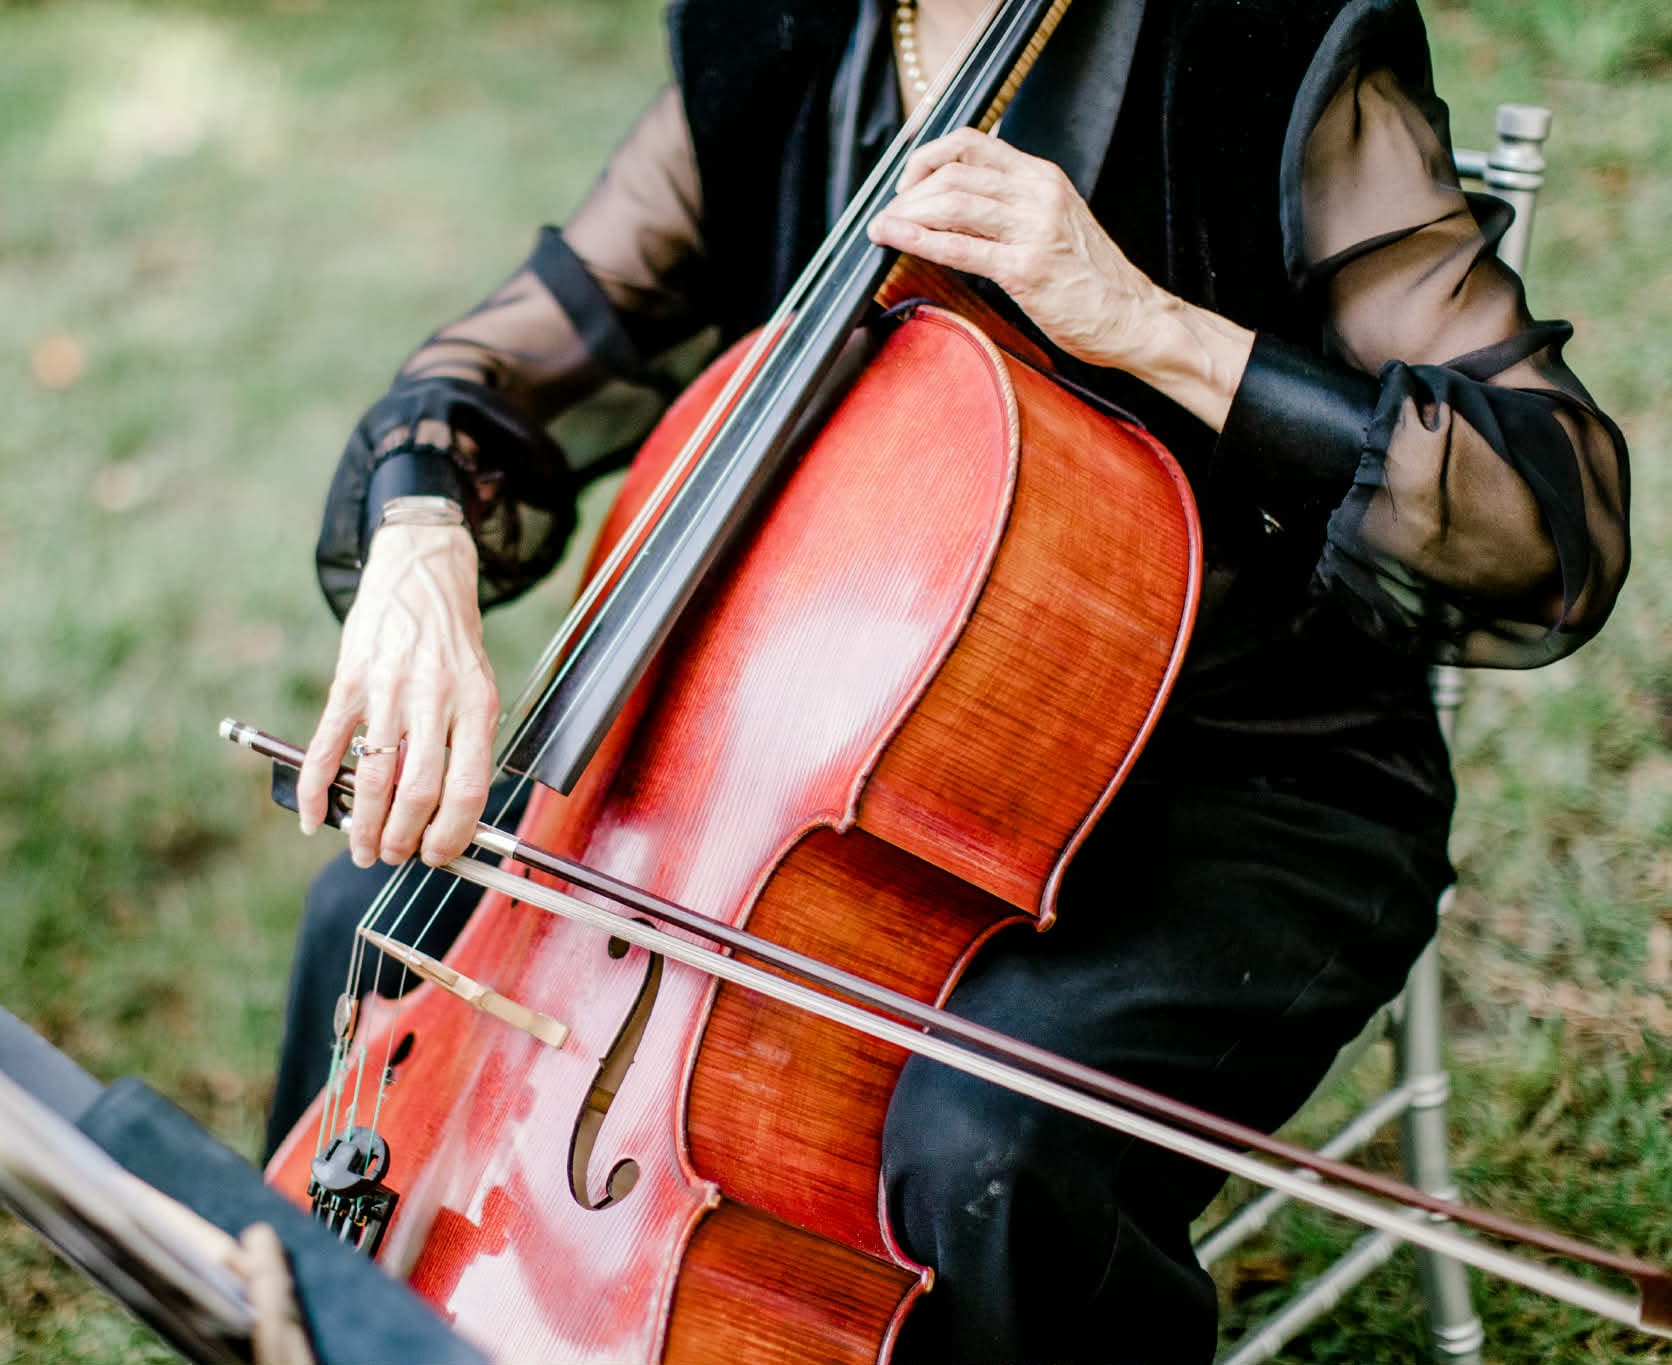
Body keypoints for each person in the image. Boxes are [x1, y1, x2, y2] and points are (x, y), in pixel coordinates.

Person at [268, 0, 1630, 1360]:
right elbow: (503, 358)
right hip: (805, 771)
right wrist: (420, 532)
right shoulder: (781, 39)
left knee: (982, 1138)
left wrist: (1146, 322)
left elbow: (1548, 509)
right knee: (380, 911)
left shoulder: (1264, 41)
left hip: (1244, 782)